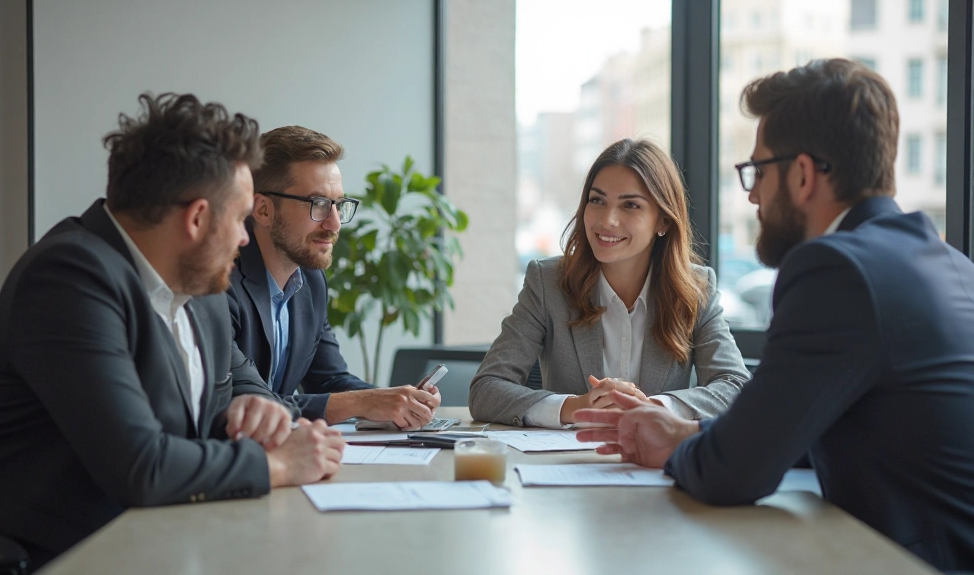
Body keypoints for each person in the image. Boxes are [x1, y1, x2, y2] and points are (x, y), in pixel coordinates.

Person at [575, 59, 974, 571]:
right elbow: (809, 426)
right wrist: (690, 435)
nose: (753, 193)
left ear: (803, 174)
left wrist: (681, 450)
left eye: (758, 170)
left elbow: (734, 475)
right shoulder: (947, 262)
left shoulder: (836, 268)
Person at [0, 93, 345, 569]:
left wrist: (256, 412)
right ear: (197, 218)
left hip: (171, 537)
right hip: (66, 552)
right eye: (239, 219)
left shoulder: (200, 286)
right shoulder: (68, 279)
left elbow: (239, 387)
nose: (245, 238)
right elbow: (142, 467)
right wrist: (278, 464)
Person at [469, 138, 750, 428]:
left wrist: (653, 408)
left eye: (630, 205)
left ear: (663, 221)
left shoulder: (696, 288)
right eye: (597, 200)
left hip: (655, 465)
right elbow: (486, 389)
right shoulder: (547, 282)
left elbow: (736, 386)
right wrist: (576, 407)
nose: (608, 220)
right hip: (565, 465)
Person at [228, 125, 441, 428]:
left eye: (339, 204)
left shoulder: (311, 283)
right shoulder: (220, 282)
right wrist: (363, 402)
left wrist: (399, 401)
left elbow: (329, 380)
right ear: (263, 209)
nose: (335, 223)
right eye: (318, 204)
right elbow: (246, 402)